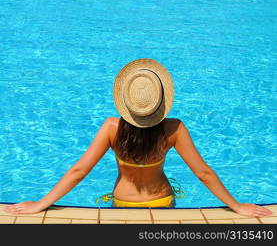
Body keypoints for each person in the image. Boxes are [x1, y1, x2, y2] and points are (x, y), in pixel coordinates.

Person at [4, 58, 272, 217]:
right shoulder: (173, 129)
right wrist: (237, 207)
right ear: (162, 102)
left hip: (123, 204)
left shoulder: (112, 127)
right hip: (162, 203)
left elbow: (78, 171)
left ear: (125, 102)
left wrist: (40, 205)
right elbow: (203, 173)